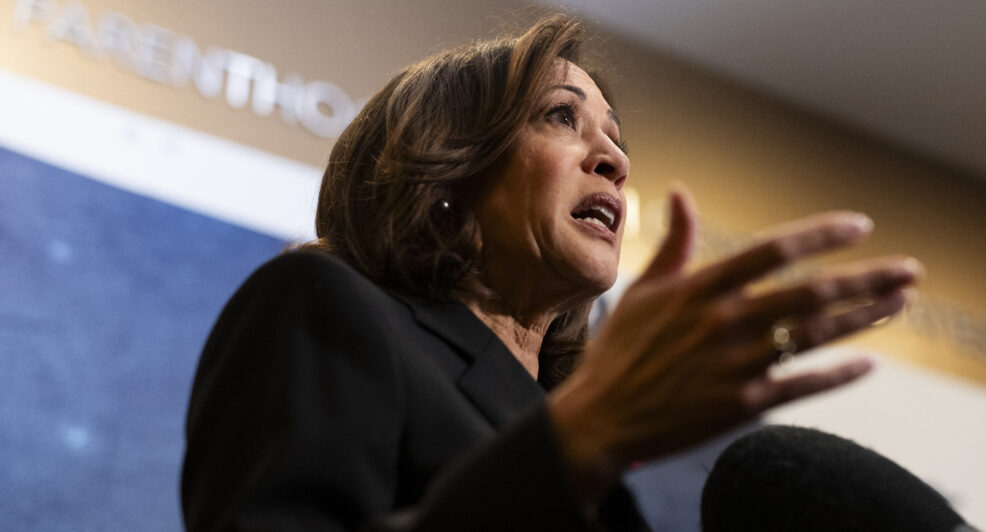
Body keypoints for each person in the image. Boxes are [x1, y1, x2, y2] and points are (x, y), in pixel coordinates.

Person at [180, 14, 921, 531]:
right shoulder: (322, 304)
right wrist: (579, 440)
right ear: (448, 171)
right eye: (561, 117)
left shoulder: (562, 416)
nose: (614, 159)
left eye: (616, 138)